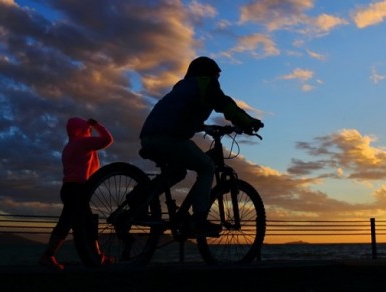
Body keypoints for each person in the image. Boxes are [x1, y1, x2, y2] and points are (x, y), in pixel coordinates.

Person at [129, 56, 263, 237]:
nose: (217, 80)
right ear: (209, 74)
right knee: (207, 166)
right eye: (216, 76)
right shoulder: (205, 84)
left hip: (149, 137)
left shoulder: (183, 87)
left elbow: (181, 114)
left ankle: (140, 197)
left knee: (178, 171)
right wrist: (248, 122)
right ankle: (198, 219)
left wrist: (203, 127)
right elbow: (226, 105)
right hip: (169, 138)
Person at [39, 117, 114, 270]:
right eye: (87, 128)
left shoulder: (68, 147)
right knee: (84, 223)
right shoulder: (82, 143)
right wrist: (97, 125)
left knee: (72, 222)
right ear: (82, 129)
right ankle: (95, 256)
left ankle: (94, 256)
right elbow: (107, 139)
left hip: (68, 188)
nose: (89, 130)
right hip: (78, 189)